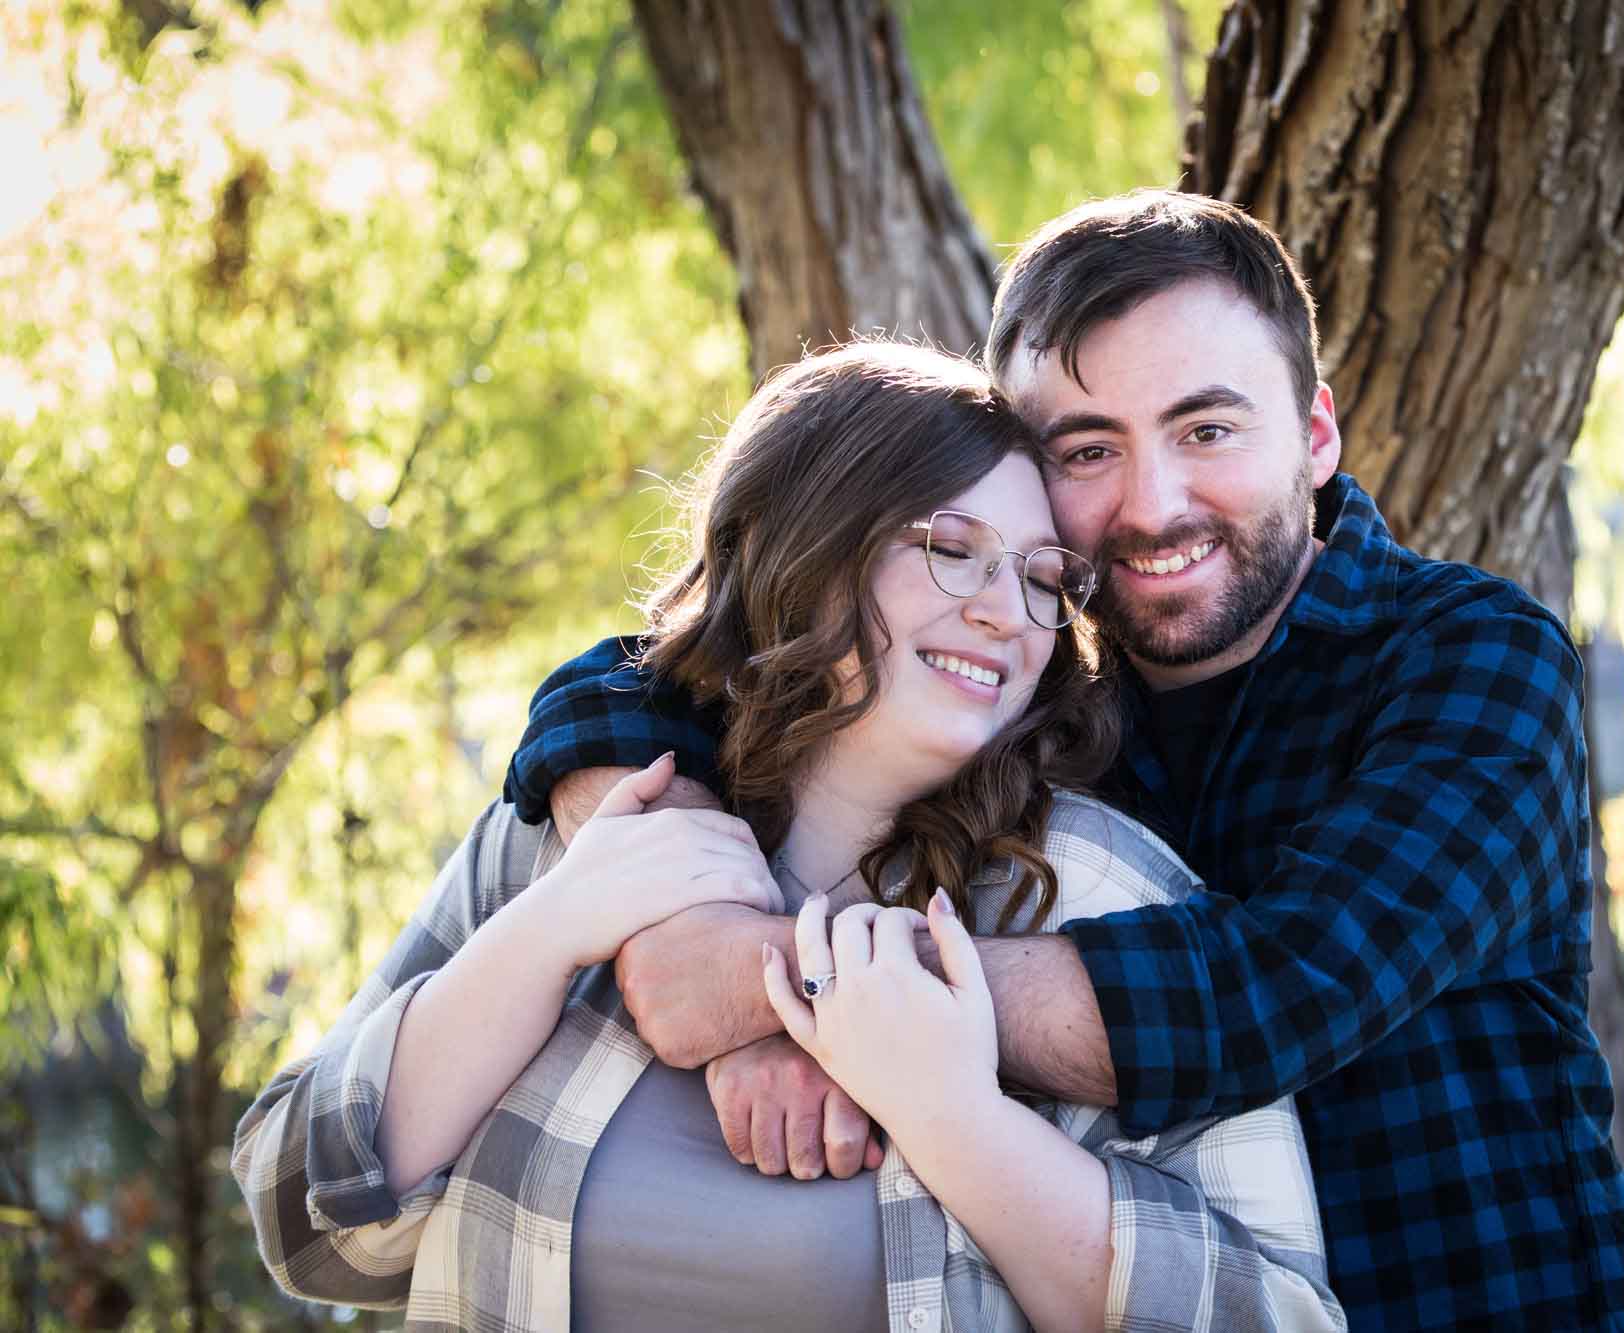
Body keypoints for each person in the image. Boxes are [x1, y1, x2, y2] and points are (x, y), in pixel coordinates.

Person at [507, 191, 1624, 1330]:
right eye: (1087, 450)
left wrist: (789, 991)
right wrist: (673, 913)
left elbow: (1268, 992)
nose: (1150, 505)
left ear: (1312, 434)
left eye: (1206, 430)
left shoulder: (1472, 658)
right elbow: (632, 683)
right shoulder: (1019, 694)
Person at [231, 341, 1342, 1332]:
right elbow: (302, 1222)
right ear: (808, 550)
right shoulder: (576, 833)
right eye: (952, 548)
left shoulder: (1102, 891)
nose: (1009, 611)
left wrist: (944, 1109)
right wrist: (554, 930)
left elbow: (1281, 1314)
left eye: (1044, 576)